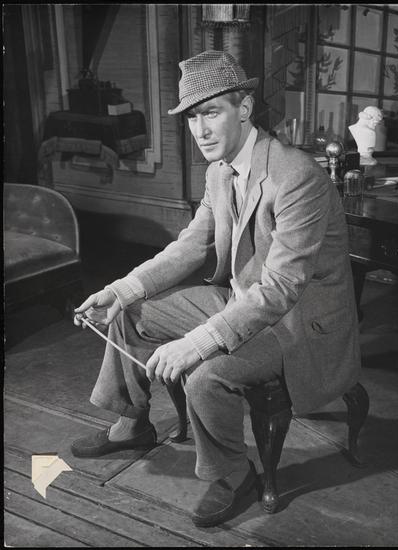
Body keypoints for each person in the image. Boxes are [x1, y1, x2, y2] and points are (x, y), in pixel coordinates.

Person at [71, 50, 361, 527]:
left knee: (205, 373)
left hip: (299, 325)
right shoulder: (219, 171)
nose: (200, 130)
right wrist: (121, 289)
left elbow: (282, 287)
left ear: (243, 109)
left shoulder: (297, 177)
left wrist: (198, 342)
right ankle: (132, 423)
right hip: (245, 301)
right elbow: (191, 246)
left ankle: (233, 474)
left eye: (211, 113)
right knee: (131, 311)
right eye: (192, 117)